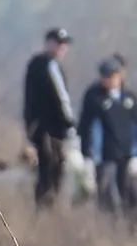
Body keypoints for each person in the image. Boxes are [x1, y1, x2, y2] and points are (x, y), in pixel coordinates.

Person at [24, 28, 77, 207]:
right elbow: (60, 98)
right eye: (58, 43)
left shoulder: (45, 65)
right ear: (48, 43)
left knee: (52, 169)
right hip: (48, 129)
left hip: (48, 128)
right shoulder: (46, 65)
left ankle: (49, 206)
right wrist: (69, 122)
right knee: (50, 168)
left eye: (64, 44)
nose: (62, 47)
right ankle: (46, 207)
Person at [80, 57, 137, 212]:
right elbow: (86, 127)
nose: (108, 80)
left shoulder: (129, 97)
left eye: (111, 76)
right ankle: (107, 231)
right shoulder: (94, 97)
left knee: (131, 195)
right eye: (105, 76)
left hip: (127, 155)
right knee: (106, 196)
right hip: (104, 156)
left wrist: (134, 154)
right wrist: (87, 156)